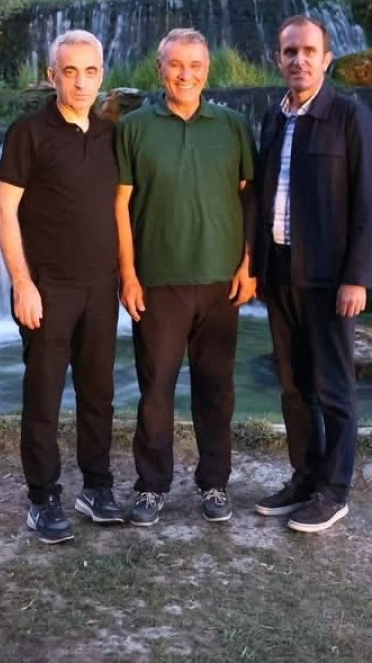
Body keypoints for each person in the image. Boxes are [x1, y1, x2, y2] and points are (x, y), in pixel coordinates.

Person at [115, 28, 257, 527]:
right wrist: (127, 275)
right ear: (160, 68)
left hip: (221, 281)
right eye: (176, 64)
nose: (185, 74)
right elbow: (119, 206)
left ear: (207, 70)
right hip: (158, 281)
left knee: (216, 389)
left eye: (195, 65)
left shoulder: (233, 125)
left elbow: (249, 198)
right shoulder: (133, 127)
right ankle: (152, 485)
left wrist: (248, 266)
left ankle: (214, 483)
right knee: (156, 389)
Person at [252, 14, 372, 533]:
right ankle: (305, 477)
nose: (299, 60)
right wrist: (257, 268)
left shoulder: (350, 117)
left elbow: (370, 203)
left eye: (309, 51)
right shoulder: (274, 117)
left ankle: (335, 491)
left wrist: (357, 277)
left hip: (330, 279)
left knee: (334, 389)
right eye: (290, 52)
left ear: (327, 59)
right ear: (278, 59)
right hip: (280, 273)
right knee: (294, 387)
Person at [0, 29, 125, 545]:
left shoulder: (110, 134)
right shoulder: (28, 133)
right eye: (70, 72)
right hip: (47, 289)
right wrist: (22, 284)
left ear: (101, 76)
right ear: (52, 77)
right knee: (44, 396)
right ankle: (42, 498)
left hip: (101, 287)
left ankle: (97, 487)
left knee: (99, 393)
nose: (81, 83)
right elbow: (4, 211)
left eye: (90, 72)